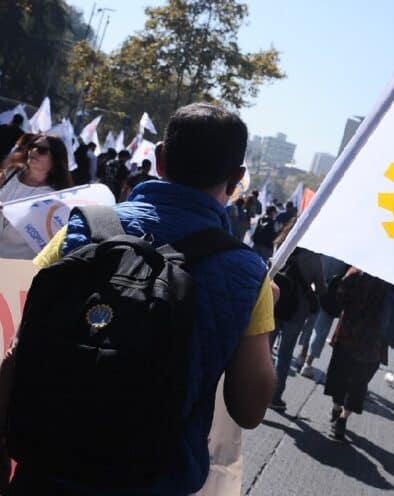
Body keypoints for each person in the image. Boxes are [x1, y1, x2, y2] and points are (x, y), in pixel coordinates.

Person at [0, 103, 277, 495]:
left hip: (44, 469)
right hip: (153, 481)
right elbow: (249, 410)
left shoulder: (82, 227)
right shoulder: (248, 274)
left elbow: (18, 350)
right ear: (235, 180)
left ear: (159, 158)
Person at [324, 267, 390, 441]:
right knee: (359, 382)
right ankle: (343, 419)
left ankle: (336, 408)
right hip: (373, 341)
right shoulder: (390, 284)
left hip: (348, 333)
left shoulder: (355, 274)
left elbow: (339, 297)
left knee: (339, 374)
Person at [270, 247, 326, 411]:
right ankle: (275, 396)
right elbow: (321, 289)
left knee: (264, 349)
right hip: (296, 310)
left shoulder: (283, 244)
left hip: (274, 303)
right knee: (285, 354)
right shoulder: (314, 257)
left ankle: (253, 388)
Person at [0, 134, 72, 259]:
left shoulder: (54, 198)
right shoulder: (11, 172)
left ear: (55, 159)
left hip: (17, 262)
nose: (33, 151)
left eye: (42, 150)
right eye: (32, 146)